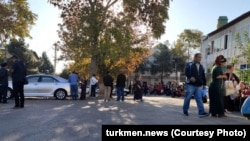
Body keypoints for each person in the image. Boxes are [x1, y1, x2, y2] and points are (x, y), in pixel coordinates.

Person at [183, 53, 209, 117]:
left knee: (199, 99)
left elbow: (203, 75)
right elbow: (186, 72)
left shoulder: (201, 66)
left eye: (200, 57)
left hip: (199, 85)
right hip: (190, 85)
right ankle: (185, 110)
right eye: (198, 57)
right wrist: (190, 77)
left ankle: (201, 112)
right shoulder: (189, 64)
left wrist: (204, 83)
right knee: (187, 98)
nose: (200, 59)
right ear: (195, 57)